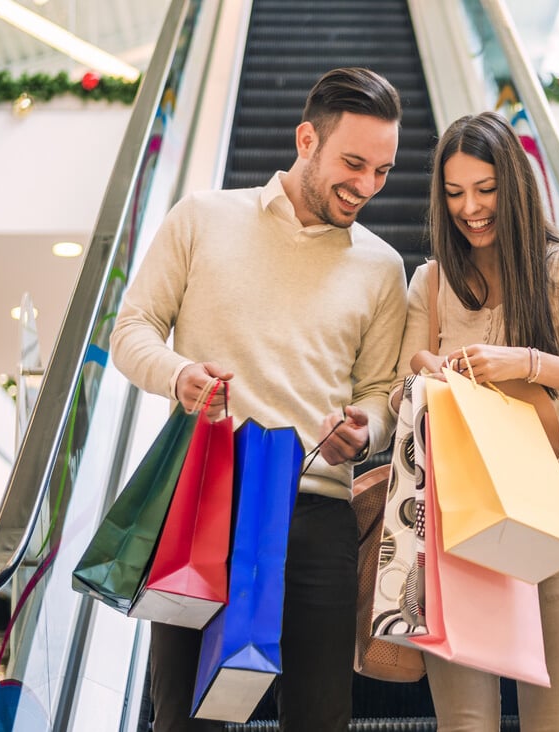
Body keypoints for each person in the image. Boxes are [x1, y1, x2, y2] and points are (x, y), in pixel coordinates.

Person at [110, 67, 408, 732]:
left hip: (319, 515)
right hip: (203, 504)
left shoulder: (383, 267)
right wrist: (179, 375)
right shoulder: (200, 219)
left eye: (383, 171)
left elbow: (382, 394)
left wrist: (365, 429)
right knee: (184, 717)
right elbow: (130, 330)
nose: (366, 187)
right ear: (307, 139)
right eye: (353, 163)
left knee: (320, 718)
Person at [392, 111, 559, 730]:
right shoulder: (433, 281)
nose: (469, 208)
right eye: (453, 194)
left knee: (553, 722)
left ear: (515, 186)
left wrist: (524, 362)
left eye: (484, 189)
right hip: (456, 525)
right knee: (464, 723)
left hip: (552, 517)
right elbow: (400, 399)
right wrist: (425, 373)